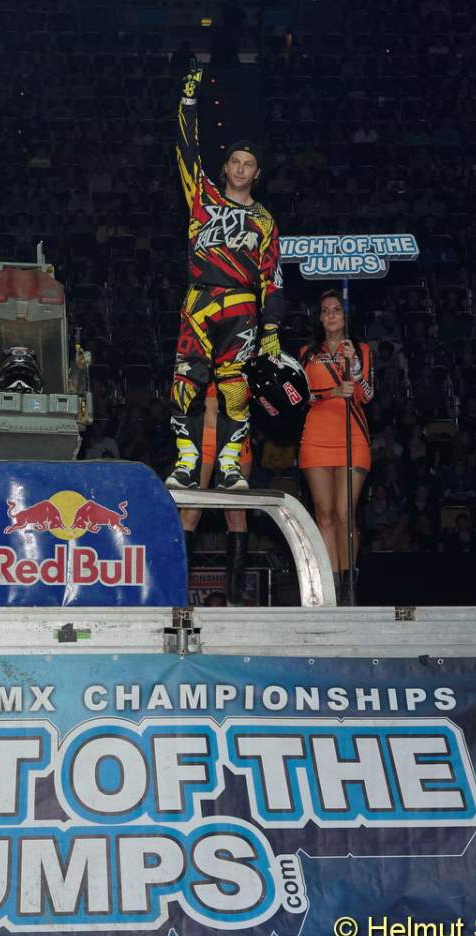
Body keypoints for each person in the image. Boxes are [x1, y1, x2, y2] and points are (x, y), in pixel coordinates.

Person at [167, 59, 284, 492]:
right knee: (185, 383)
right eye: (235, 161)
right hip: (199, 302)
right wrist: (189, 101)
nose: (239, 168)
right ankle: (186, 461)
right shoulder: (203, 195)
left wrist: (272, 328)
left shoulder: (265, 220)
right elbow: (186, 149)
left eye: (248, 164)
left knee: (236, 390)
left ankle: (230, 466)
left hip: (241, 306)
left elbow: (273, 277)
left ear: (257, 173)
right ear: (226, 166)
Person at [299, 290, 374, 596]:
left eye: (336, 310)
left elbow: (367, 394)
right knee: (324, 514)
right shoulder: (307, 353)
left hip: (352, 436)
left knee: (345, 514)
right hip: (316, 437)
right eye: (325, 311)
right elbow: (299, 396)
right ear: (319, 318)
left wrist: (353, 364)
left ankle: (349, 587)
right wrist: (330, 393)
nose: (331, 315)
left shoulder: (361, 349)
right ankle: (332, 588)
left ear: (345, 316)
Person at [179, 384, 253, 605]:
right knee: (190, 512)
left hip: (237, 436)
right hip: (204, 434)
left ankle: (234, 595)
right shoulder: (200, 363)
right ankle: (178, 590)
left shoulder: (242, 362)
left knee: (237, 514)